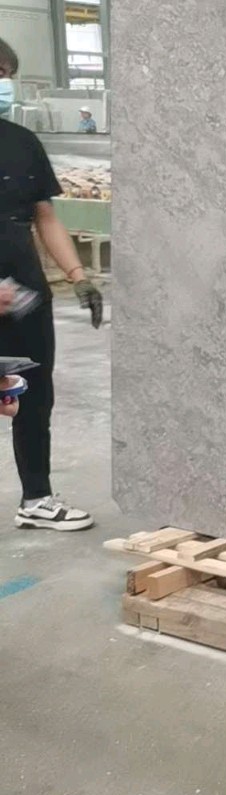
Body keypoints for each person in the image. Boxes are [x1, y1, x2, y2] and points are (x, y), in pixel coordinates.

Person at [0, 35, 102, 531]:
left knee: (33, 394)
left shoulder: (22, 143)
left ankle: (36, 498)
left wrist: (79, 277)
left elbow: (45, 217)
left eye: (3, 74)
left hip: (25, 293)